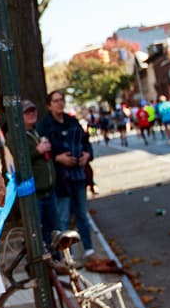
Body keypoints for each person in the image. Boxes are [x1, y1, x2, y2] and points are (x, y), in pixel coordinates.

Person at [37, 90, 121, 272]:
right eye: (56, 101)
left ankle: (89, 250)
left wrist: (86, 155)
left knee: (82, 214)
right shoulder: (44, 126)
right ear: (49, 105)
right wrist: (58, 159)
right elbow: (43, 154)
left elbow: (86, 142)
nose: (60, 104)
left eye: (61, 100)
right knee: (63, 217)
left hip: (78, 176)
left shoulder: (72, 121)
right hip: (61, 179)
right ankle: (68, 255)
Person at [19, 99, 59, 262]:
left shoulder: (36, 132)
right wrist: (37, 151)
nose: (32, 114)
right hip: (35, 193)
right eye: (27, 112)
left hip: (49, 190)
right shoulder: (19, 137)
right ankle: (42, 265)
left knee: (52, 229)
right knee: (38, 230)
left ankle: (54, 260)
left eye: (33, 111)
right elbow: (19, 162)